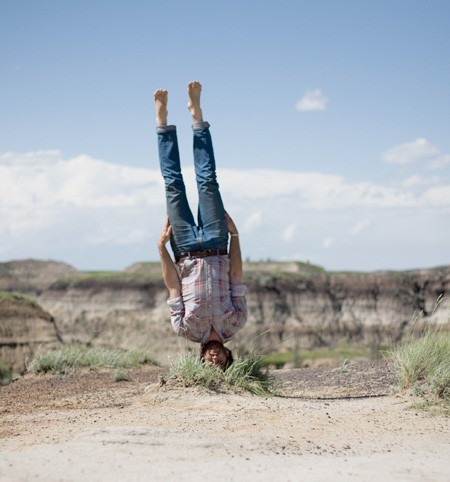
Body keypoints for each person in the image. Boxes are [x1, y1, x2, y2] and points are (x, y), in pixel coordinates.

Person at [154, 81, 247, 369]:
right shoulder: (236, 321)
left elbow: (172, 286)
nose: (214, 358)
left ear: (202, 357)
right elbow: (236, 275)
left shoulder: (185, 329)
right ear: (229, 356)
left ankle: (162, 124)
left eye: (209, 361)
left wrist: (161, 248)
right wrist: (234, 236)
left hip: (183, 248)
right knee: (207, 182)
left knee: (173, 186)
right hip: (218, 241)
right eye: (220, 361)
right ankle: (197, 117)